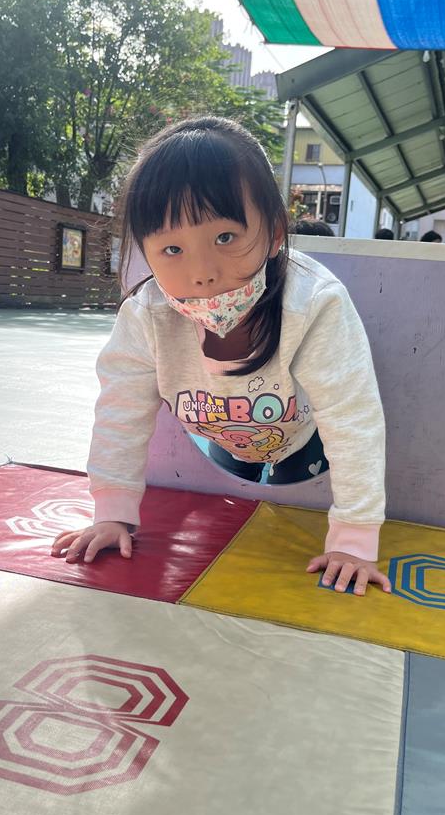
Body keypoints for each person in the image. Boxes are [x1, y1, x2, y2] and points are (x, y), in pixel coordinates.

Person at [51, 117, 390, 597]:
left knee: (288, 499)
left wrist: (354, 540)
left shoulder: (313, 304)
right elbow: (119, 414)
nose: (202, 273)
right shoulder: (147, 316)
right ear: (146, 254)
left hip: (302, 442)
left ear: (275, 232)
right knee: (233, 497)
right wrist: (112, 514)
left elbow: (351, 418)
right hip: (225, 441)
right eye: (172, 248)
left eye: (225, 238)